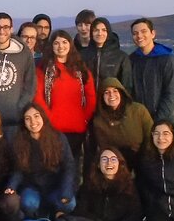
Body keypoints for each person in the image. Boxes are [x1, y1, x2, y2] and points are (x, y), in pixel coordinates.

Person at [4, 103, 76, 220]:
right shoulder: (20, 141)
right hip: (32, 186)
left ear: (43, 117)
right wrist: (11, 186)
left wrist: (66, 190)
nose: (33, 122)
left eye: (36, 116)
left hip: (55, 186)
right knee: (29, 203)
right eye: (28, 118)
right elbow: (19, 169)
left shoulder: (58, 137)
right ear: (24, 122)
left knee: (70, 203)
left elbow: (69, 165)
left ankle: (55, 218)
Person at [34, 30, 96, 163]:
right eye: (56, 43)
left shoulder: (81, 69)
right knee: (53, 164)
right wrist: (49, 119)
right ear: (51, 46)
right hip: (52, 128)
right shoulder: (43, 70)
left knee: (73, 165)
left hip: (77, 127)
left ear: (70, 44)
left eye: (64, 42)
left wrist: (83, 118)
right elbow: (38, 96)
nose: (60, 46)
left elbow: (91, 97)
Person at [74, 147, 143, 221]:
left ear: (120, 163)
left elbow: (136, 213)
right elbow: (80, 210)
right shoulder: (89, 186)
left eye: (113, 159)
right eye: (104, 159)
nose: (109, 163)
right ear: (98, 164)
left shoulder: (129, 186)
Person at [90, 77, 153, 170]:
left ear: (121, 93)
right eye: (107, 92)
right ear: (102, 97)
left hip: (142, 157)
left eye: (115, 91)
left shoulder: (139, 110)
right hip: (117, 163)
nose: (111, 95)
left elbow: (151, 136)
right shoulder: (98, 121)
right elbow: (105, 148)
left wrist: (146, 159)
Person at [129, 18, 174, 121]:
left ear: (153, 34)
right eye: (135, 33)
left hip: (163, 121)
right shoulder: (131, 60)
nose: (139, 36)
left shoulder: (167, 58)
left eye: (143, 31)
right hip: (138, 120)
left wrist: (157, 121)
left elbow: (172, 92)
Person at [81, 17, 132, 93]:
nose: (100, 33)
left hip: (110, 101)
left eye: (104, 30)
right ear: (91, 33)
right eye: (96, 30)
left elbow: (127, 86)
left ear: (109, 32)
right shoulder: (83, 55)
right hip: (88, 101)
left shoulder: (121, 57)